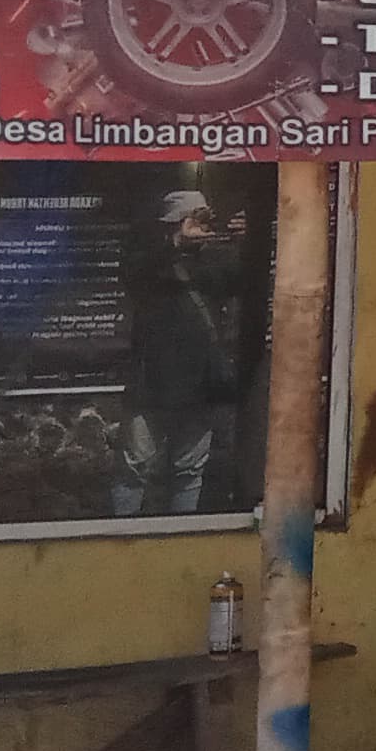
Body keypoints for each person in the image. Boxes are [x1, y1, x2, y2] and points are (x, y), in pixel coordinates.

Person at [115, 189, 250, 517]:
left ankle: (182, 534)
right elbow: (133, 271)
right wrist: (176, 243)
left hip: (200, 384)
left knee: (189, 471)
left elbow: (244, 278)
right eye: (195, 217)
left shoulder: (214, 261)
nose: (204, 225)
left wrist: (246, 241)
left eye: (207, 218)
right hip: (152, 382)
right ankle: (120, 537)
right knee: (135, 466)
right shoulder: (151, 261)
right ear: (173, 223)